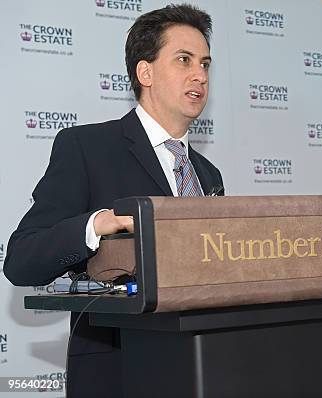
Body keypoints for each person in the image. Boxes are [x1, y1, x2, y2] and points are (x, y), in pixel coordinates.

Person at [3, 4, 223, 397]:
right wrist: (94, 224)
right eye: (184, 60)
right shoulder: (87, 148)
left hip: (200, 367)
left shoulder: (208, 175)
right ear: (145, 72)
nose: (199, 76)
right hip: (119, 372)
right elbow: (21, 260)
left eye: (205, 64)